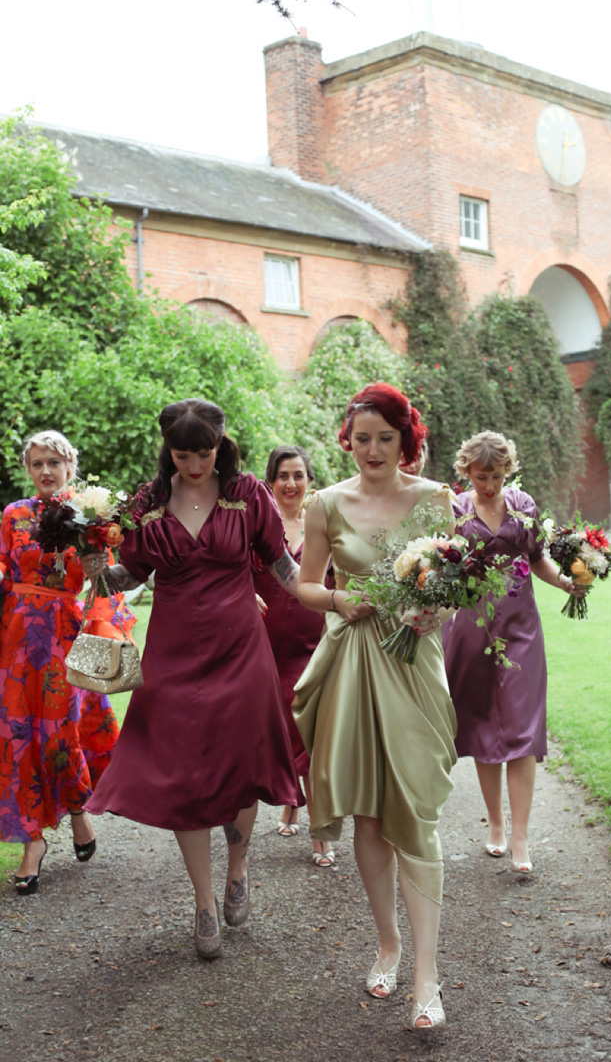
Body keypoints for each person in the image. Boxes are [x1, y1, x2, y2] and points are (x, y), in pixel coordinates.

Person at [85, 399, 304, 960]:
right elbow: (125, 577)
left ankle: (238, 866)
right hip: (174, 653)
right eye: (183, 455)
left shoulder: (248, 494)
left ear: (220, 444)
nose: (194, 465)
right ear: (169, 451)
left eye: (203, 454)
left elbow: (281, 564)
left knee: (244, 762)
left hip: (240, 649)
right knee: (185, 772)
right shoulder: (147, 503)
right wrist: (92, 565)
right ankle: (204, 901)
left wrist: (327, 600)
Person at [294, 383, 456, 1030]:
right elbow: (305, 584)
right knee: (368, 815)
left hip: (414, 667)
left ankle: (427, 979)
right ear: (348, 439)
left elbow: (453, 585)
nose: (371, 450)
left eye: (383, 438)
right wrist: (337, 601)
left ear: (404, 439)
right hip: (355, 664)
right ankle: (387, 942)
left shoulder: (436, 498)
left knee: (414, 813)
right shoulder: (325, 503)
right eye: (360, 438)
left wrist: (433, 609)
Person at [442, 431, 584, 875]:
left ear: (509, 472)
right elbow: (441, 567)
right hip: (471, 627)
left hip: (521, 626)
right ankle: (496, 824)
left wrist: (564, 581)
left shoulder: (524, 504)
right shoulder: (453, 509)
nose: (488, 484)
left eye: (497, 476)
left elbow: (537, 556)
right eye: (480, 476)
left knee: (522, 731)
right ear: (466, 472)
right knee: (484, 725)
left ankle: (521, 836)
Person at [0, 430, 132, 895]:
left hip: (64, 638)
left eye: (54, 462)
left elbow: (106, 585)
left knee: (58, 733)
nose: (45, 471)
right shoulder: (13, 514)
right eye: (37, 464)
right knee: (18, 734)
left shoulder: (88, 518)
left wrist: (98, 556)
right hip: (16, 642)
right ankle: (34, 841)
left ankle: (76, 812)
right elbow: (4, 574)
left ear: (70, 468)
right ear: (28, 470)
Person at [251, 445, 335, 867]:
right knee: (285, 732)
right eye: (283, 475)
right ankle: (291, 804)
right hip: (266, 647)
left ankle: (320, 832)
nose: (291, 483)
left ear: (309, 480)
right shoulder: (259, 524)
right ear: (270, 482)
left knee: (314, 734)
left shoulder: (322, 522)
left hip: (314, 647)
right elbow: (238, 570)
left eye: (298, 475)